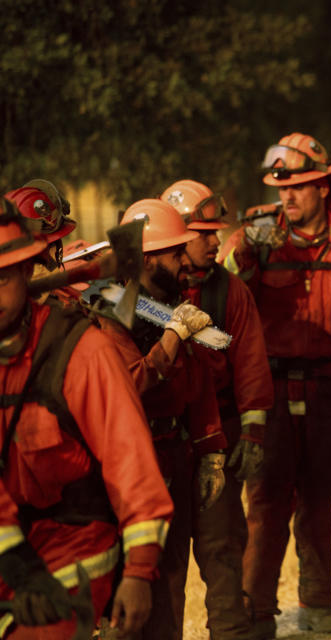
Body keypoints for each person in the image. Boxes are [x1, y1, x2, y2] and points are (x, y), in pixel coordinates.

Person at [222, 132, 331, 636]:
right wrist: (243, 255)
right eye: (281, 188)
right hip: (268, 394)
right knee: (267, 505)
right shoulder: (253, 241)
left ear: (324, 187)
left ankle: (317, 603)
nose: (287, 196)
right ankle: (256, 614)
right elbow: (216, 295)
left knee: (321, 500)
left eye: (298, 186)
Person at [0, 204, 173, 638]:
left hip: (72, 545)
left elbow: (129, 460)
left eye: (0, 279)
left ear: (26, 271)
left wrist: (139, 571)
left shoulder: (80, 352)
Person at [92, 198, 228, 638]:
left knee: (171, 580)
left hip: (175, 452)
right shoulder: (110, 310)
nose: (183, 261)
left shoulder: (170, 305)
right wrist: (171, 338)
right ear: (148, 259)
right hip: (130, 461)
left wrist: (210, 452)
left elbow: (199, 382)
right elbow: (129, 383)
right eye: (173, 253)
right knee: (129, 585)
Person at [161, 179, 274, 639]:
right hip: (163, 440)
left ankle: (231, 634)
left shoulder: (228, 291)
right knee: (162, 559)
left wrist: (252, 434)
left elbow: (250, 363)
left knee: (222, 546)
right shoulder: (139, 294)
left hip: (220, 434)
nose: (214, 242)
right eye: (202, 234)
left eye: (215, 233)